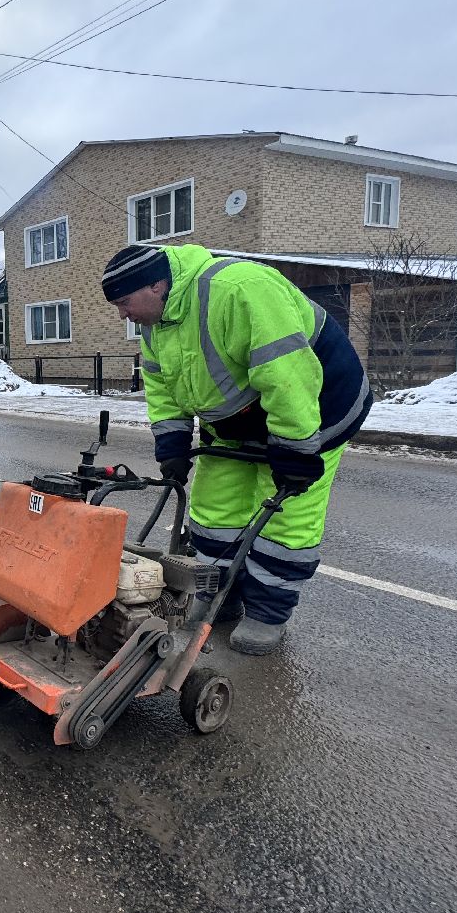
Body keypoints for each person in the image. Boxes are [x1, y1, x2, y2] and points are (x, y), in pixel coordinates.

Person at [102, 243, 371, 655]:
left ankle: (267, 613)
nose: (123, 314)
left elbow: (288, 378)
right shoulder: (154, 325)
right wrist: (172, 444)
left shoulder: (239, 289)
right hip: (235, 419)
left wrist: (298, 451)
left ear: (156, 285)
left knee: (285, 516)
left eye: (124, 302)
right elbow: (161, 388)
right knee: (216, 507)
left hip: (315, 409)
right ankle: (217, 593)